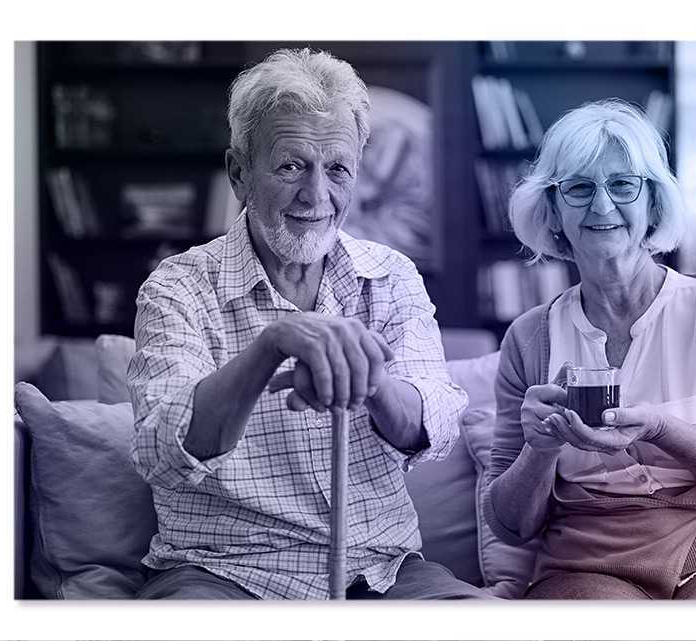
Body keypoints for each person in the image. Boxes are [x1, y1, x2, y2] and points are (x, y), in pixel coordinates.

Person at [127, 49, 484, 600]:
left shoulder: (391, 278)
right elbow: (163, 452)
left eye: (337, 168)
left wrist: (365, 372)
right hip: (221, 572)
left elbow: (430, 430)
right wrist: (272, 345)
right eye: (291, 165)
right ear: (239, 173)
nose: (317, 196)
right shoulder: (177, 286)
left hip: (380, 572)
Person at [485, 99, 696, 600]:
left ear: (654, 202)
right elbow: (511, 526)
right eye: (578, 188)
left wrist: (664, 429)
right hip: (589, 568)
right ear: (552, 211)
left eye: (622, 184)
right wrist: (539, 449)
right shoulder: (529, 338)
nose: (601, 205)